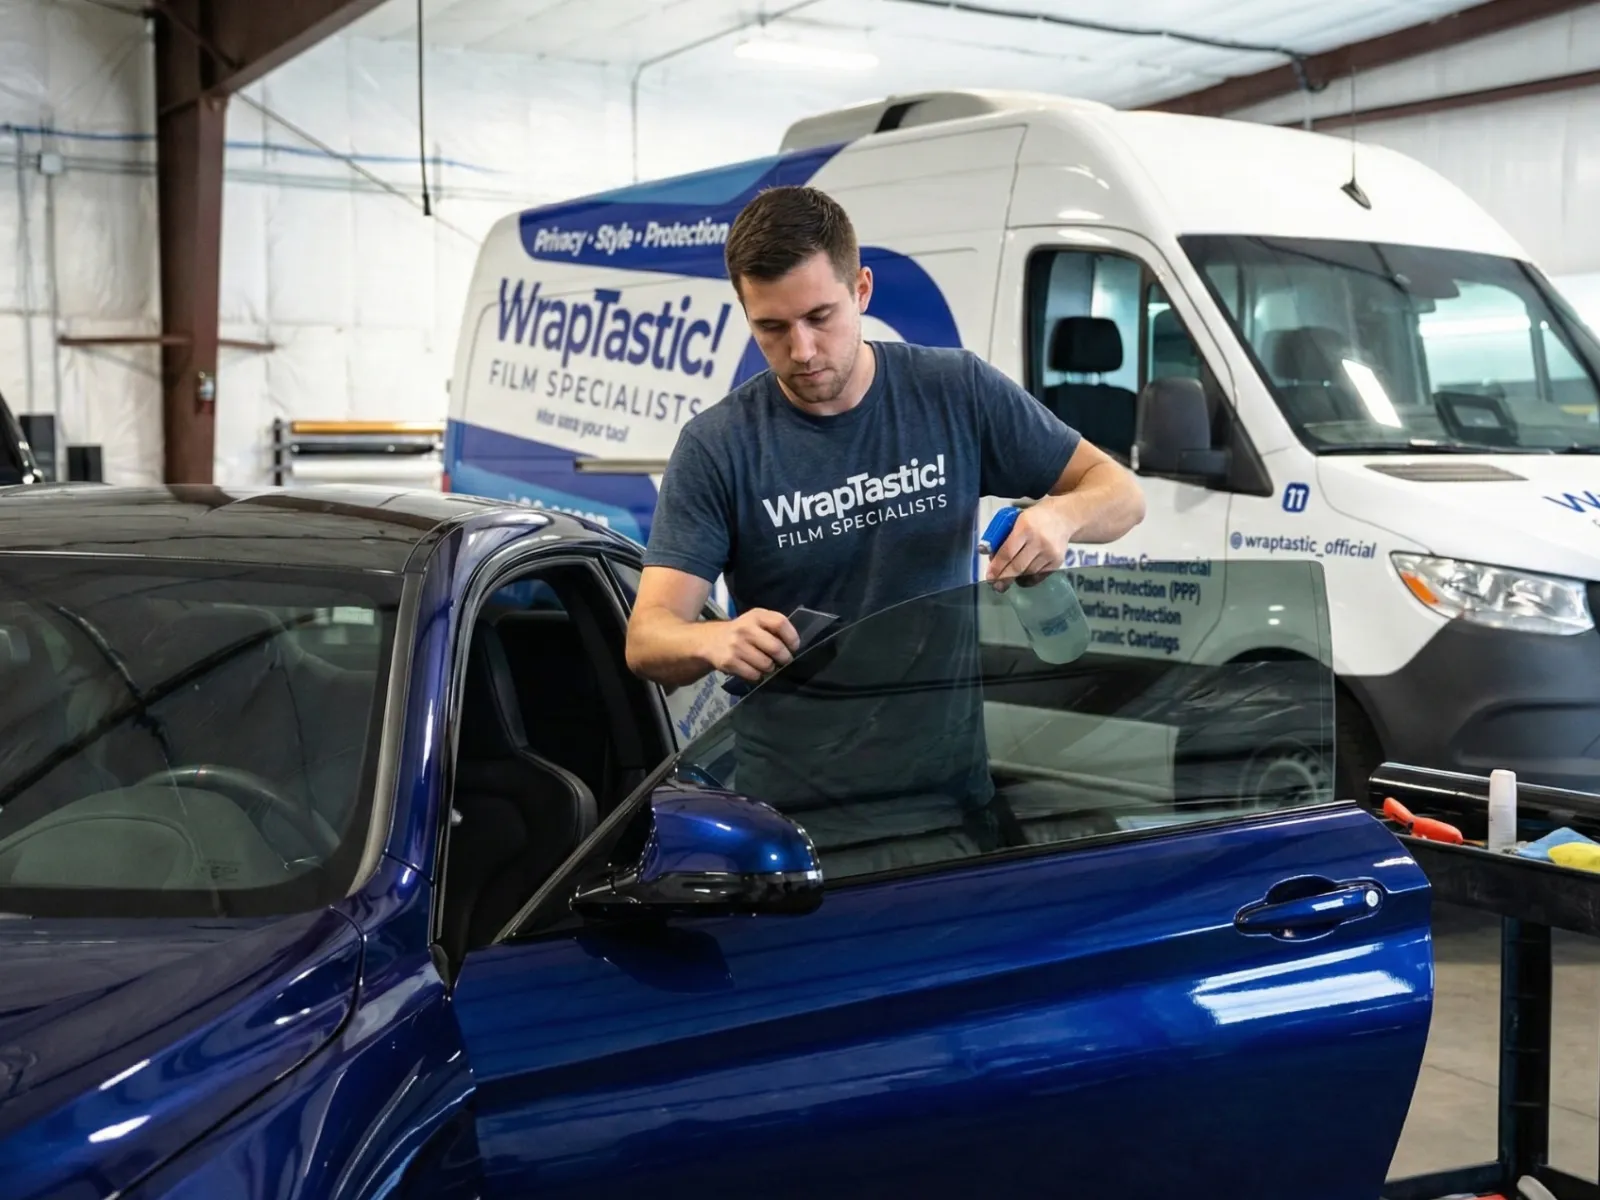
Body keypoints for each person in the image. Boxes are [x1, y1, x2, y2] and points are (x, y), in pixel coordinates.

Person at [625, 183, 1145, 688]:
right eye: (772, 328)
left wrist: (1060, 515)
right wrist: (713, 640)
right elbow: (647, 639)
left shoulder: (956, 390)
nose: (802, 349)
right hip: (786, 770)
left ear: (862, 290)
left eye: (818, 316)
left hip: (946, 764)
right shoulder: (717, 446)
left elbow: (1122, 494)